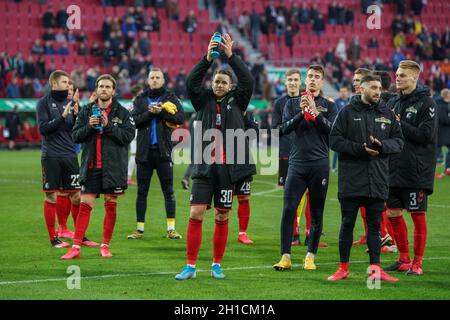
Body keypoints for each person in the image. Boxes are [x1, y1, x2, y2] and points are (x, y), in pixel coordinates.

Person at [175, 33, 255, 280]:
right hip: (204, 168)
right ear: (212, 84)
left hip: (228, 170)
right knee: (195, 214)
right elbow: (191, 82)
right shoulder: (202, 101)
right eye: (216, 82)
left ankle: (216, 264)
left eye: (224, 83)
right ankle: (190, 266)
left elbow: (248, 80)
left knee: (222, 215)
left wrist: (231, 57)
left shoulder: (238, 100)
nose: (219, 85)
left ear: (230, 86)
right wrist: (207, 59)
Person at [328, 74, 404, 281]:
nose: (378, 91)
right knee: (347, 224)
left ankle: (375, 269)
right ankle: (343, 268)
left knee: (373, 227)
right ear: (361, 89)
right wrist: (359, 149)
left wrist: (383, 147)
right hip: (352, 178)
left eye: (379, 88)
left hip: (378, 179)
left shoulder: (387, 113)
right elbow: (334, 140)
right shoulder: (346, 112)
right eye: (373, 87)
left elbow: (399, 141)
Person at [61, 74, 135, 260]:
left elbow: (128, 137)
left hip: (113, 168)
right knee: (85, 205)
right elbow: (75, 136)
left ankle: (105, 246)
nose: (103, 89)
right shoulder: (86, 111)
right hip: (91, 166)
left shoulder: (123, 113)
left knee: (111, 206)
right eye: (101, 86)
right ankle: (76, 247)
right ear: (96, 90)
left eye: (107, 87)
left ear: (113, 91)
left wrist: (108, 126)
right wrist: (88, 126)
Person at [273, 65, 338, 271]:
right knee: (288, 210)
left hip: (319, 164)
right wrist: (303, 113)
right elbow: (283, 129)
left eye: (316, 77)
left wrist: (314, 112)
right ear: (305, 80)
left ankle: (310, 256)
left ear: (321, 81)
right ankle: (285, 256)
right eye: (309, 76)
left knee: (317, 213)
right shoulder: (292, 104)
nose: (312, 79)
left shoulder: (329, 106)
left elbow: (332, 131)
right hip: (297, 163)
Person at [384, 60, 438, 276]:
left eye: (403, 75)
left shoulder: (427, 104)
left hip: (416, 171)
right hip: (393, 168)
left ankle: (418, 263)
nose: (397, 78)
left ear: (415, 78)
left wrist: (399, 123)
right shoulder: (395, 102)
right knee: (393, 213)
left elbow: (425, 136)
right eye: (397, 74)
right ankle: (404, 259)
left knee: (417, 215)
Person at [127, 68, 185, 240]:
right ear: (147, 80)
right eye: (151, 77)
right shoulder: (140, 99)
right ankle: (139, 230)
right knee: (141, 192)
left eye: (157, 77)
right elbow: (133, 122)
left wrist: (162, 112)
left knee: (168, 192)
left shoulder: (171, 97)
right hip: (144, 153)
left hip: (163, 152)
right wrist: (148, 113)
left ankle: (171, 229)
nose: (154, 80)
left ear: (163, 80)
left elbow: (180, 118)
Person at [36, 70, 80, 248]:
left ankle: (79, 236)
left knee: (76, 196)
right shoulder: (43, 103)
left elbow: (75, 131)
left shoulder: (71, 103)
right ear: (54, 84)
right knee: (51, 197)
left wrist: (76, 116)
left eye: (68, 82)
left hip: (70, 154)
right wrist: (62, 117)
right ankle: (53, 239)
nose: (67, 85)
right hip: (51, 155)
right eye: (64, 82)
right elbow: (43, 129)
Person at [271, 69, 306, 245]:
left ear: (300, 82)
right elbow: (275, 129)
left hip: (305, 152)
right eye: (289, 80)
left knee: (308, 192)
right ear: (285, 83)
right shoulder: (279, 103)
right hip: (286, 153)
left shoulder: (307, 100)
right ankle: (294, 232)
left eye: (295, 80)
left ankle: (309, 232)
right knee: (290, 194)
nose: (292, 83)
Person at [126, 84, 144, 186]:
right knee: (134, 155)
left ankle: (137, 177)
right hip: (135, 132)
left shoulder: (129, 104)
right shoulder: (136, 104)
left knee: (137, 155)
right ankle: (128, 177)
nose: (143, 94)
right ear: (137, 94)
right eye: (141, 93)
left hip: (133, 132)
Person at [332, 86, 350, 172]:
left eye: (344, 91)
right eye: (341, 91)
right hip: (339, 128)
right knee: (337, 148)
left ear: (347, 92)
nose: (343, 93)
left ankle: (346, 165)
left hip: (349, 128)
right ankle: (334, 166)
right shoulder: (336, 102)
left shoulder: (350, 102)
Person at [435, 89, 450, 177]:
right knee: (436, 153)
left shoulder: (446, 104)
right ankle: (432, 172)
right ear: (446, 96)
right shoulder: (440, 105)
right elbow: (443, 119)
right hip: (440, 133)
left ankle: (448, 168)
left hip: (447, 133)